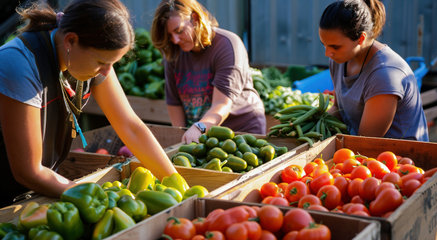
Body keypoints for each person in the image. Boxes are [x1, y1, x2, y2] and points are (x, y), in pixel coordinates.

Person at [0, 0, 177, 207]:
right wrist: (98, 199)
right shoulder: (18, 65)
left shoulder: (85, 57)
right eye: (102, 62)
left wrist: (176, 183)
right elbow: (28, 171)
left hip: (37, 193)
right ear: (70, 41)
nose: (106, 72)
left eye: (112, 63)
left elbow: (130, 126)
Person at [151, 0, 266, 144]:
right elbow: (174, 103)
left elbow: (222, 104)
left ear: (194, 18)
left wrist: (199, 127)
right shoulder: (174, 54)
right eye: (169, 36)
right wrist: (180, 137)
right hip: (203, 137)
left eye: (179, 31)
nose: (174, 40)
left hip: (242, 131)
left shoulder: (227, 45)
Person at [319, 0, 429, 141]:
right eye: (324, 45)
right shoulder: (339, 60)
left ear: (361, 38)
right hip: (362, 151)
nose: (328, 53)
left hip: (400, 158)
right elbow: (338, 109)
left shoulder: (385, 74)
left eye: (335, 47)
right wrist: (313, 122)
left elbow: (366, 140)